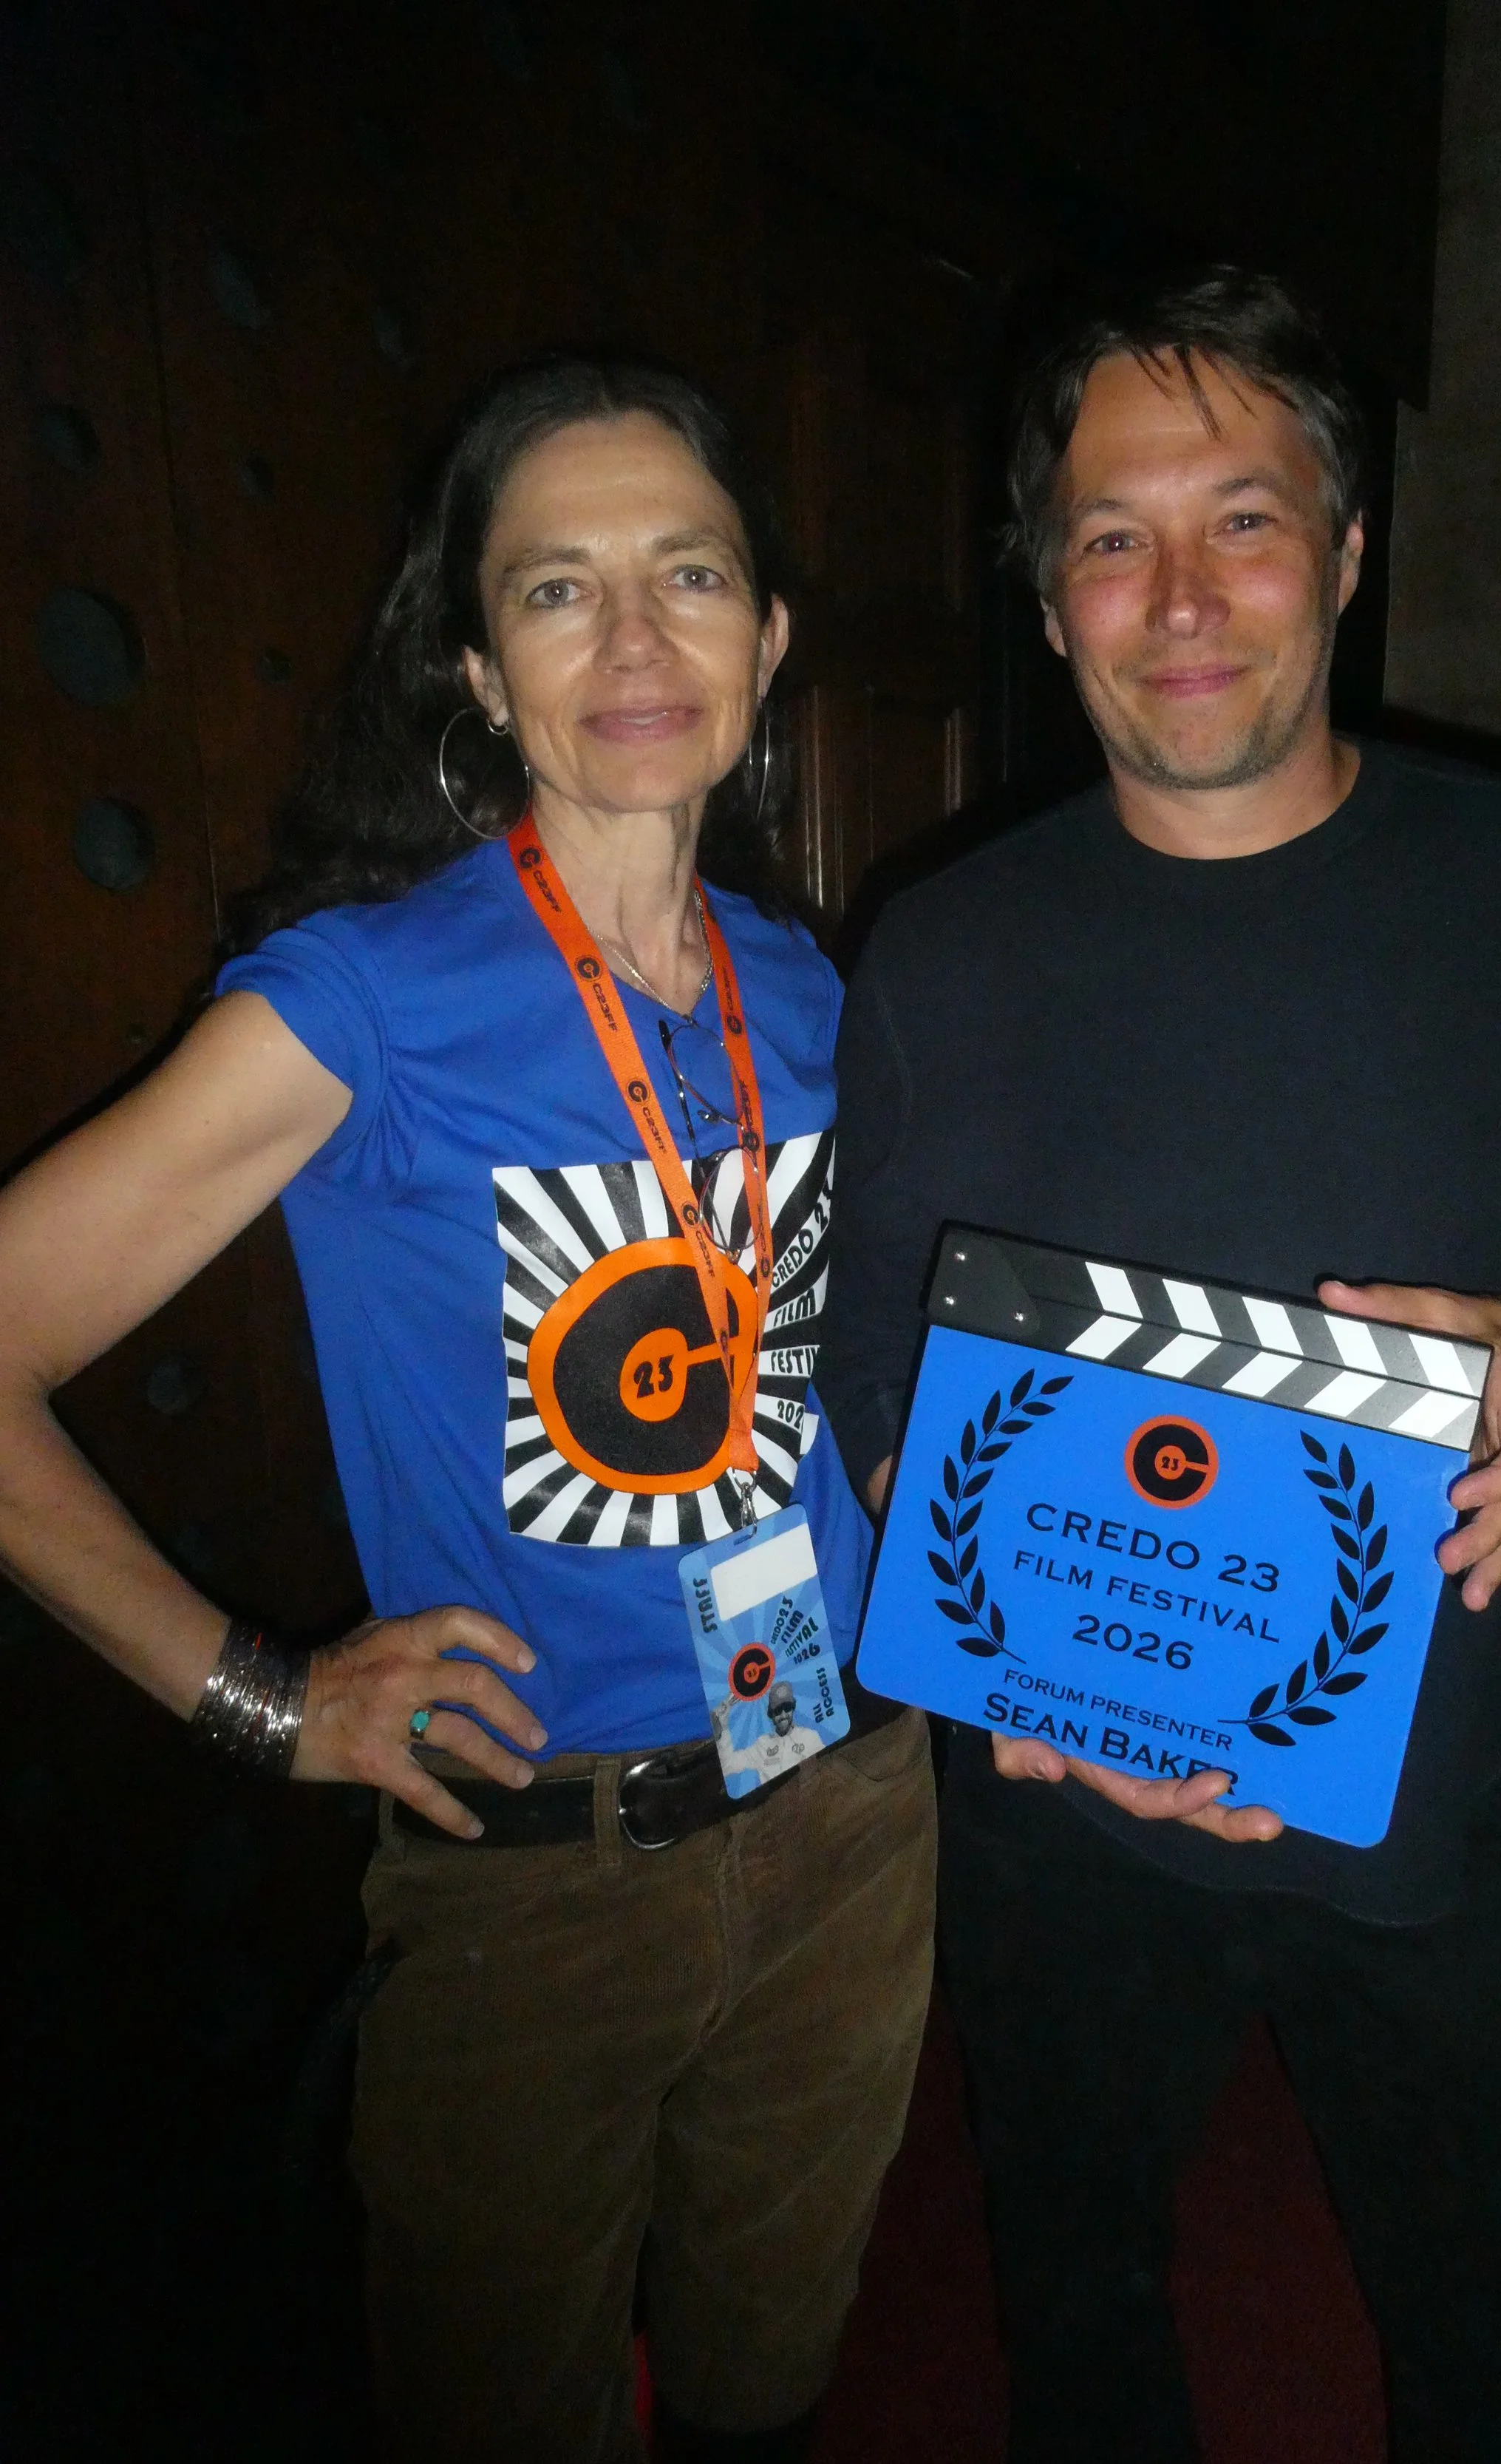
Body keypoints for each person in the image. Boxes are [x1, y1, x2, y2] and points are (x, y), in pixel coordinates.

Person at [817, 268, 1501, 2463]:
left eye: (1241, 520)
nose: (1178, 597)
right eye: (1111, 535)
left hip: (1428, 1794)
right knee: (1077, 2321)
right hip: (1054, 1828)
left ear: (1346, 556)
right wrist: (1004, 1656)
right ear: (1048, 598)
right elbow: (870, 1343)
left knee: (1489, 2336)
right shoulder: (943, 947)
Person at [0, 353, 936, 2464]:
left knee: (771, 2388)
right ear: (477, 670)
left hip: (856, 1809)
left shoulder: (817, 991)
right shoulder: (363, 1001)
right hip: (543, 1880)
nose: (635, 641)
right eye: (556, 589)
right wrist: (263, 1700)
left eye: (689, 573)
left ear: (769, 638)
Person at [715, 1680, 826, 1784]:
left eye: (787, 1708)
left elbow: (825, 1769)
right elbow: (727, 1766)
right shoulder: (762, 1744)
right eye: (778, 1710)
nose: (783, 1715)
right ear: (771, 1714)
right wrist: (723, 1728)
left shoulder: (810, 1737)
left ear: (793, 1708)